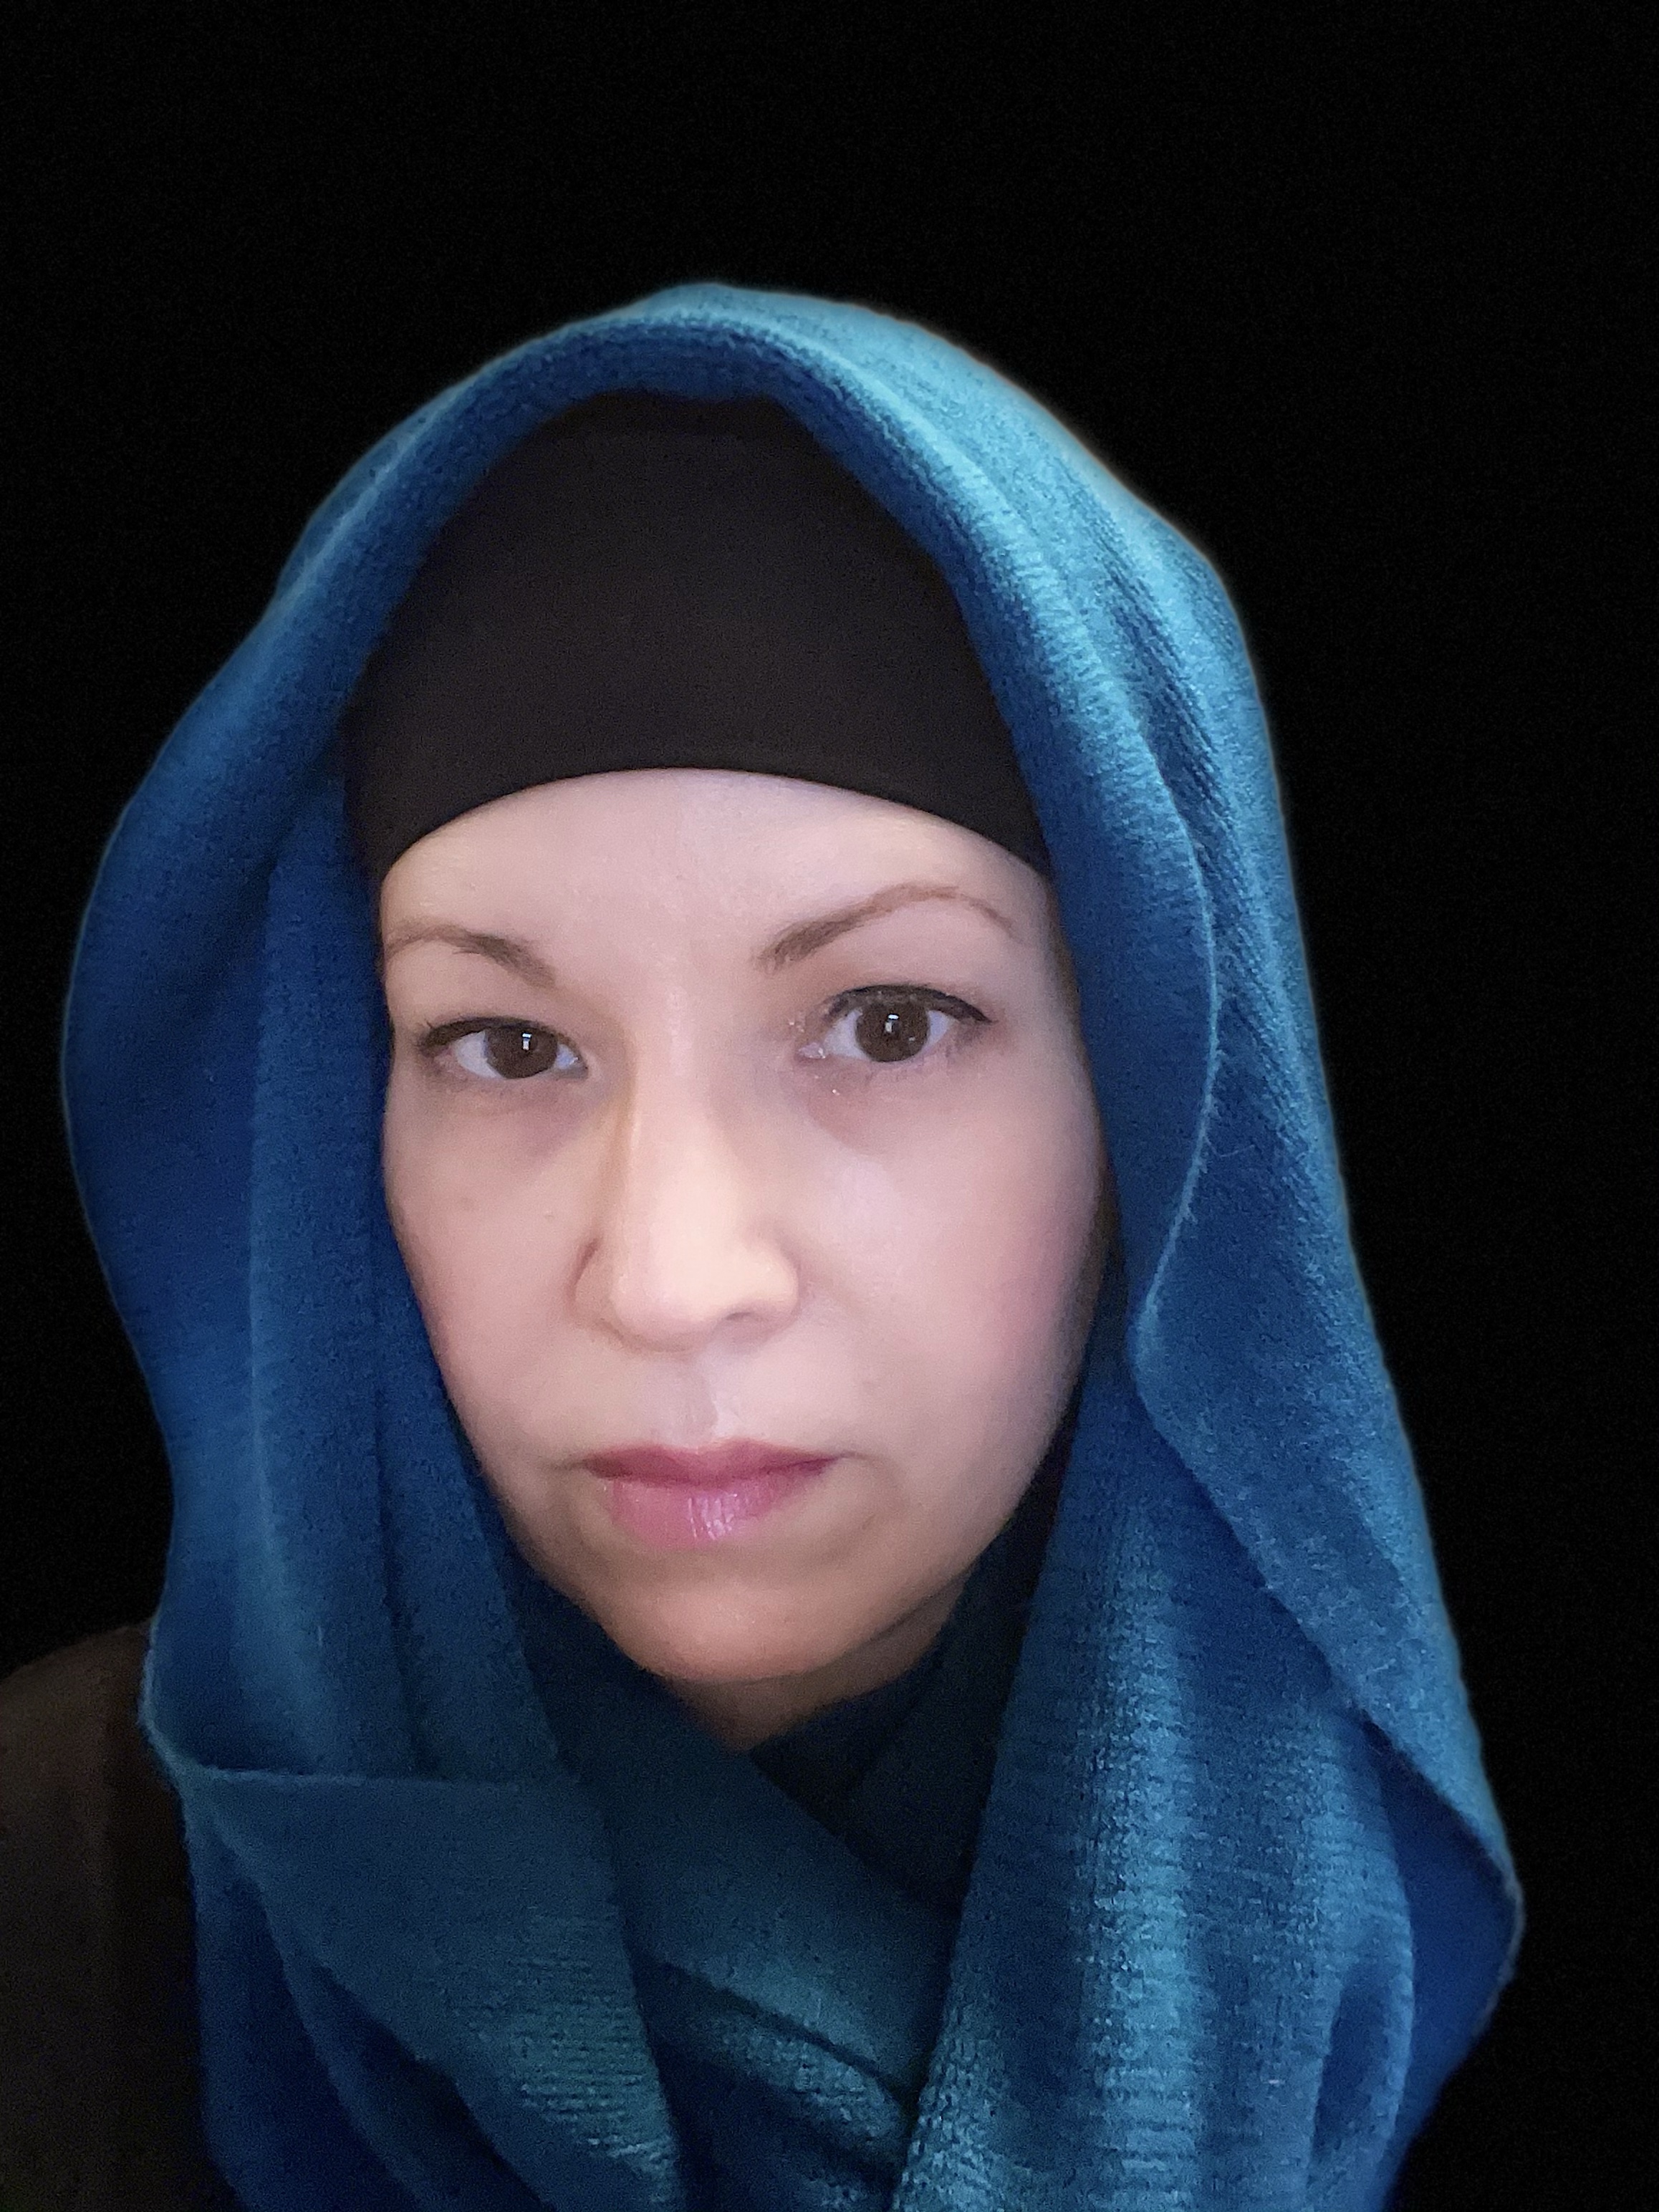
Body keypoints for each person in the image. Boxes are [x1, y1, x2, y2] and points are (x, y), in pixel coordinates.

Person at [0, 285, 1520, 2211]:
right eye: (508, 1046)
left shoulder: (1438, 1987)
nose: (670, 1277)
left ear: (1154, 1112)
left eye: (886, 1022)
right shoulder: (57, 1911)